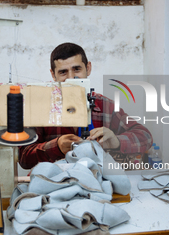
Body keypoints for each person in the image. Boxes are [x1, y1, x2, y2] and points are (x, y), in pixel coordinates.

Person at [19, 43, 153, 169]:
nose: (71, 78)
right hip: (56, 184)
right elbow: (24, 158)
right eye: (63, 72)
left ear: (88, 68)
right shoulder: (39, 108)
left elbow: (145, 137)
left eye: (77, 69)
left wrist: (115, 141)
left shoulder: (105, 106)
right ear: (53, 75)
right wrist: (56, 146)